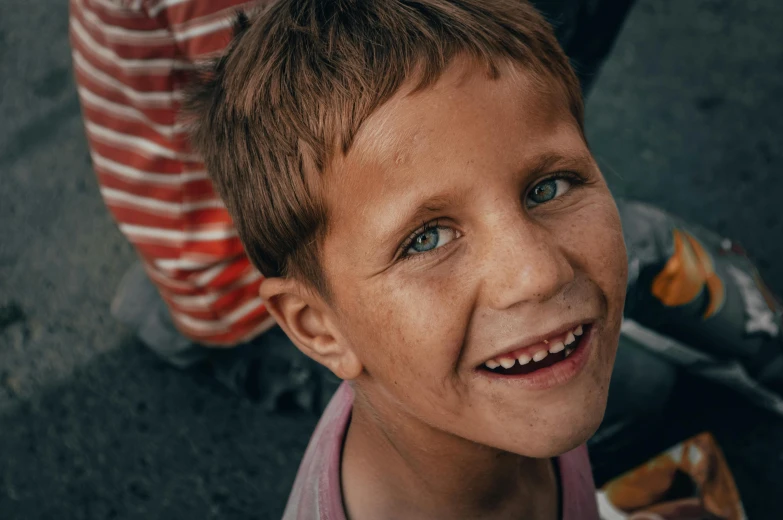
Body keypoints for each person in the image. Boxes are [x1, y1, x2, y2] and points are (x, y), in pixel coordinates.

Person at [184, 1, 629, 517]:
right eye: (426, 240)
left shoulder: (526, 375)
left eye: (548, 187)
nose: (538, 275)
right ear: (320, 327)